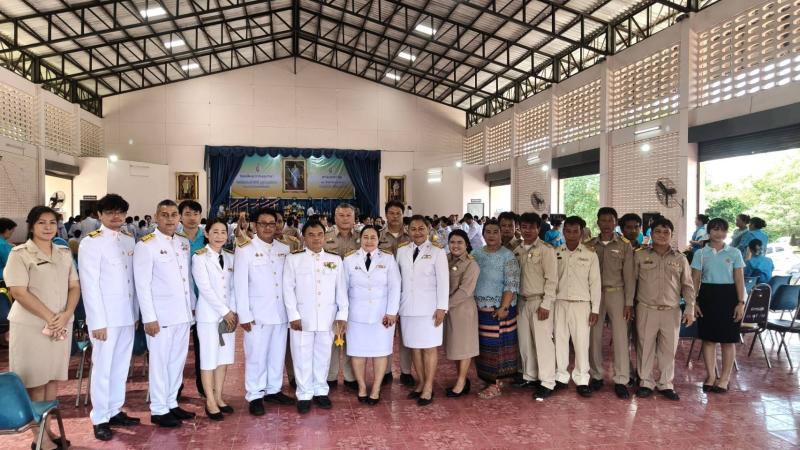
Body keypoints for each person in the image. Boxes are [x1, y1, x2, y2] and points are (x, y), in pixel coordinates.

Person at [4, 206, 80, 450]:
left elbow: (74, 286)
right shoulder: (20, 254)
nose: (48, 227)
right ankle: (39, 438)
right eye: (41, 222)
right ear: (31, 226)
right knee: (35, 383)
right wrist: (50, 317)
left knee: (52, 380)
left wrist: (66, 315)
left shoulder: (63, 252)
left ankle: (47, 428)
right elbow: (18, 291)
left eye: (52, 222)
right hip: (32, 327)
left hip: (59, 325)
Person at [78, 194, 140, 441]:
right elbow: (89, 285)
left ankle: (115, 410)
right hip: (105, 318)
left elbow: (132, 281)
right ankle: (100, 417)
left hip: (126, 315)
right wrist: (97, 322)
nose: (116, 216)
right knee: (103, 368)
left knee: (121, 366)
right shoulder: (91, 243)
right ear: (99, 214)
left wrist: (135, 313)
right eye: (110, 212)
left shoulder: (128, 240)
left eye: (120, 212)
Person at [134, 200, 196, 427]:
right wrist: (149, 317)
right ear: (156, 217)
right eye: (164, 215)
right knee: (160, 363)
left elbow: (187, 279)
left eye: (173, 214)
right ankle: (159, 409)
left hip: (182, 314)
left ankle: (171, 402)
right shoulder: (146, 245)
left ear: (178, 217)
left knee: (177, 362)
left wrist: (192, 306)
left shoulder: (183, 243)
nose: (170, 219)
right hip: (160, 317)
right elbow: (142, 285)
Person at [234, 208, 295, 416]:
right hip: (257, 313)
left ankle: (273, 390)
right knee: (256, 356)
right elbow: (240, 284)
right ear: (254, 225)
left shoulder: (284, 249)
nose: (268, 227)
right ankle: (255, 394)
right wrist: (244, 314)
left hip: (280, 312)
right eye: (263, 223)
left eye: (272, 223)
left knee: (277, 353)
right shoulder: (245, 249)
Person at [283, 219, 348, 414]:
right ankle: (304, 393)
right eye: (311, 235)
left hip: (327, 317)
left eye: (320, 234)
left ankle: (320, 390)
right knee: (301, 356)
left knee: (323, 355)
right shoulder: (294, 259)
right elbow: (288, 289)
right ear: (304, 237)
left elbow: (341, 290)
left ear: (325, 236)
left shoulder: (335, 260)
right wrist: (293, 315)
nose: (316, 238)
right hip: (302, 318)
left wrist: (342, 315)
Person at [633, 218, 696, 400]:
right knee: (645, 347)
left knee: (669, 349)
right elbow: (632, 282)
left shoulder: (680, 258)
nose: (662, 235)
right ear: (651, 234)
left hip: (671, 310)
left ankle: (666, 384)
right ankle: (646, 382)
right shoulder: (640, 255)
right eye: (658, 232)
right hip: (647, 308)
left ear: (671, 235)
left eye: (666, 232)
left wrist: (690, 308)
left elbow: (688, 286)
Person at [343, 225, 400, 404]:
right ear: (360, 239)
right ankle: (361, 386)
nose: (369, 241)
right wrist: (343, 314)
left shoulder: (388, 258)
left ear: (378, 239)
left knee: (380, 352)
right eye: (365, 237)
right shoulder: (349, 259)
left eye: (373, 237)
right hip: (356, 315)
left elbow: (395, 286)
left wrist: (391, 312)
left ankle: (376, 388)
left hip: (382, 315)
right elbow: (343, 289)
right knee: (357, 352)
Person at [397, 215, 449, 405]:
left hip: (429, 309)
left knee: (429, 348)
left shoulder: (437, 251)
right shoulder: (402, 251)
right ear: (408, 230)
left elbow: (444, 281)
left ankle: (428, 387)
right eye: (413, 229)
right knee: (414, 347)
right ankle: (420, 382)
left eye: (421, 229)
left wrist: (442, 307)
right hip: (407, 307)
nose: (417, 232)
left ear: (428, 230)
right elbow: (398, 280)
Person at [691, 218, 746, 394]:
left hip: (729, 297)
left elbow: (739, 279)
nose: (719, 233)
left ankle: (724, 379)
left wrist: (741, 302)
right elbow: (695, 280)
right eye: (715, 229)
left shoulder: (735, 253)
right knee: (708, 339)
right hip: (707, 296)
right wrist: (694, 302)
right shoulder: (700, 254)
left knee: (728, 340)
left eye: (722, 230)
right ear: (709, 231)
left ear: (726, 232)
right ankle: (710, 376)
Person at [586, 208, 635, 399]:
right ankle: (596, 375)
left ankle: (621, 379)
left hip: (617, 293)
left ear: (615, 223)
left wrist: (629, 302)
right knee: (594, 336)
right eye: (603, 220)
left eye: (610, 220)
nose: (606, 224)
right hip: (595, 295)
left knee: (621, 337)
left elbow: (629, 276)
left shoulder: (624, 245)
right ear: (598, 222)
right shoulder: (589, 245)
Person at [192, 218, 237, 421]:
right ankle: (210, 401)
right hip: (209, 317)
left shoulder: (230, 257)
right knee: (209, 359)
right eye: (215, 232)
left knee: (223, 359)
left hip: (228, 317)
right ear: (207, 234)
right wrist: (224, 311)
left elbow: (234, 287)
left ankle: (219, 396)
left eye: (223, 232)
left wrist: (232, 311)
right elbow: (205, 289)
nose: (219, 236)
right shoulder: (199, 257)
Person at [471, 219, 520, 399]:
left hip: (499, 310)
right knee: (484, 348)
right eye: (488, 232)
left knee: (497, 349)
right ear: (483, 234)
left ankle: (496, 384)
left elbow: (511, 284)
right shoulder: (475, 254)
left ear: (500, 234)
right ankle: (489, 379)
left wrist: (504, 307)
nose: (491, 235)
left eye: (495, 232)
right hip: (479, 309)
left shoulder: (508, 256)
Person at [512, 212, 558, 399]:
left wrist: (546, 304)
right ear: (520, 228)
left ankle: (547, 381)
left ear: (539, 228)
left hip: (539, 301)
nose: (528, 230)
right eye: (524, 227)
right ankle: (529, 375)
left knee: (543, 342)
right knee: (525, 342)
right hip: (521, 301)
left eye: (532, 227)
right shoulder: (517, 250)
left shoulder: (546, 250)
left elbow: (552, 279)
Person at [553, 216, 601, 397]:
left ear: (581, 233)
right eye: (568, 231)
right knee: (560, 341)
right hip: (559, 303)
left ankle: (582, 379)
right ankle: (561, 377)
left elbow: (595, 284)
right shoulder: (556, 252)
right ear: (563, 232)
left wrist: (595, 309)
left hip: (582, 305)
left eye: (575, 231)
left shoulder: (590, 255)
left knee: (581, 343)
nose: (571, 235)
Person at [325, 203, 361, 390]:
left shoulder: (362, 238)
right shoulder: (325, 237)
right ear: (335, 217)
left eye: (348, 215)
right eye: (341, 215)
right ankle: (330, 376)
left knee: (351, 338)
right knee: (331, 337)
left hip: (355, 295)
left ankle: (350, 377)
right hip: (329, 295)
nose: (345, 218)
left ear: (354, 218)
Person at [378, 200, 413, 385]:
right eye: (391, 213)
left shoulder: (411, 236)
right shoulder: (379, 236)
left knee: (406, 333)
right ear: (386, 215)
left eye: (398, 213)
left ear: (403, 215)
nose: (394, 216)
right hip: (385, 292)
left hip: (408, 290)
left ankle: (406, 371)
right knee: (386, 333)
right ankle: (386, 371)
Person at [443, 229, 479, 398]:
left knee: (464, 347)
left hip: (463, 310)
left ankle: (461, 382)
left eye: (460, 242)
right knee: (455, 347)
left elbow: (465, 291)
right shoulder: (445, 259)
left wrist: (444, 306)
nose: (455, 245)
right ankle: (462, 379)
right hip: (448, 310)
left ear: (467, 245)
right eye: (452, 242)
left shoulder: (471, 264)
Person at [176, 200, 206, 398]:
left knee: (203, 346)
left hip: (203, 299)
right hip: (179, 300)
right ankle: (174, 390)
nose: (192, 218)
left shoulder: (208, 237)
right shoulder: (173, 237)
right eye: (187, 214)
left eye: (195, 214)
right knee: (177, 349)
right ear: (180, 216)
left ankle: (204, 386)